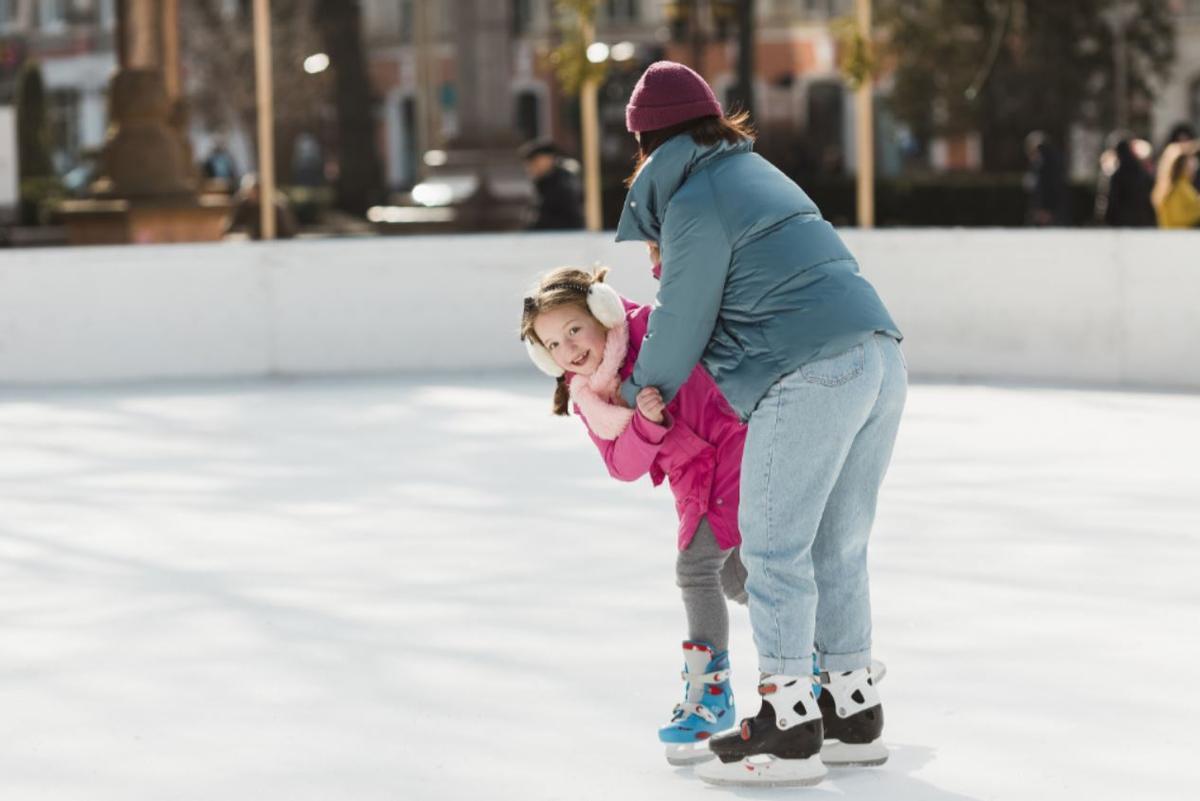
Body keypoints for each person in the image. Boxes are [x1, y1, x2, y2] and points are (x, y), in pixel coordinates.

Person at [614, 61, 905, 787]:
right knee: (839, 547)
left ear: (647, 142)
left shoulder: (695, 196)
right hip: (876, 356)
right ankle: (850, 714)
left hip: (806, 370)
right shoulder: (753, 172)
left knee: (775, 551)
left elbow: (682, 320)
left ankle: (788, 726)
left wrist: (633, 387)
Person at [519, 264, 749, 766]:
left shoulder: (650, 329)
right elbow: (621, 466)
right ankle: (823, 647)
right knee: (733, 577)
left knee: (696, 570)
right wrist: (644, 426)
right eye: (553, 345)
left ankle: (711, 696)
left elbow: (696, 322)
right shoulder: (590, 398)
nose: (569, 350)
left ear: (602, 311)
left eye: (574, 329)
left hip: (731, 448)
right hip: (694, 476)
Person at [518, 139, 584, 230]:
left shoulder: (563, 184)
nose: (529, 168)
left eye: (534, 162)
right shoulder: (543, 184)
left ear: (547, 160)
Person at [1101, 136, 1156, 227]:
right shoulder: (1141, 172)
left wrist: (1109, 218)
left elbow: (1114, 198)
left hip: (1124, 220)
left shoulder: (1118, 175)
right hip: (1142, 219)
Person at [1024, 131, 1070, 226]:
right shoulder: (1043, 163)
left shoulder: (1046, 163)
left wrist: (1045, 209)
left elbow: (1048, 187)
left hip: (1049, 211)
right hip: (1048, 209)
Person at [1152, 140, 1200, 229]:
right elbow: (1178, 218)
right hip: (1179, 236)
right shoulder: (1178, 187)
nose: (1193, 166)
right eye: (1188, 162)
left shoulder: (1170, 186)